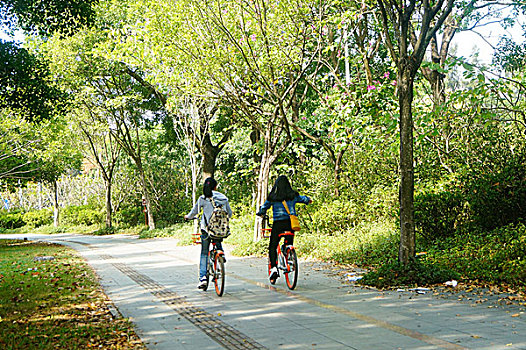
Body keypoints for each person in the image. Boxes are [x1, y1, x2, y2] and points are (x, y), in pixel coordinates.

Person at [256, 175, 311, 284]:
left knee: (272, 246)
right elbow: (304, 199)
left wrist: (261, 212)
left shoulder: (273, 197)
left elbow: (264, 207)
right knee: (288, 240)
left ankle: (274, 268)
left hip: (278, 224)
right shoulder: (293, 196)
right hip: (290, 224)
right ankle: (288, 252)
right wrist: (308, 200)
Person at [185, 177, 232, 290]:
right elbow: (229, 214)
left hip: (206, 230)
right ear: (216, 186)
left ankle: (203, 279)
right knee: (217, 239)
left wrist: (188, 217)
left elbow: (194, 211)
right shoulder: (223, 198)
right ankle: (221, 254)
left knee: (204, 253)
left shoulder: (203, 198)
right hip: (220, 230)